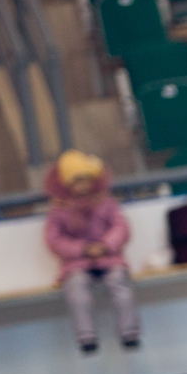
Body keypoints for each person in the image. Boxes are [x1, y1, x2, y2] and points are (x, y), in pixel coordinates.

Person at [43, 150, 140, 354]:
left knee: (120, 283)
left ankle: (129, 332)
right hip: (76, 263)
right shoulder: (59, 210)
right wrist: (82, 249)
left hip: (109, 258)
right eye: (77, 181)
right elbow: (55, 240)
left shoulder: (106, 203)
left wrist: (105, 246)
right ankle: (86, 336)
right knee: (77, 288)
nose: (83, 186)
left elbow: (121, 227)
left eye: (86, 180)